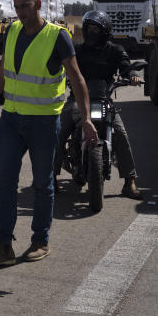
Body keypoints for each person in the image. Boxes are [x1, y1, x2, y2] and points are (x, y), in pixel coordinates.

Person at [0, 0, 97, 266]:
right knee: (5, 184)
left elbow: (78, 79)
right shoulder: (12, 32)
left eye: (25, 6)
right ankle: (3, 246)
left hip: (44, 122)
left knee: (42, 185)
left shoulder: (56, 36)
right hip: (11, 119)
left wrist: (86, 119)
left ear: (38, 4)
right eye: (16, 6)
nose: (20, 12)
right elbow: (2, 74)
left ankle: (40, 241)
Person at [58, 10, 143, 199]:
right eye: (89, 28)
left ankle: (129, 182)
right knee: (60, 129)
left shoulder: (115, 50)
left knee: (120, 134)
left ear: (105, 30)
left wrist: (132, 75)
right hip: (77, 100)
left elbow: (125, 66)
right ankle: (49, 178)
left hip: (103, 100)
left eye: (96, 28)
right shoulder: (77, 50)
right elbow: (64, 66)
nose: (91, 32)